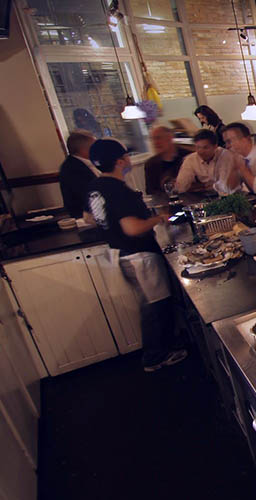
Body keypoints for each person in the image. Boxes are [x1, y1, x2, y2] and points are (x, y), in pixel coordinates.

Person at [83, 139, 186, 372]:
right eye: (126, 156)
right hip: (139, 257)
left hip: (118, 252)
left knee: (151, 304)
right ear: (120, 161)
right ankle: (156, 357)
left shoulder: (94, 187)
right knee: (155, 308)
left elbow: (88, 217)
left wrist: (111, 224)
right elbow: (132, 228)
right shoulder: (119, 190)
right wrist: (159, 218)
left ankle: (163, 349)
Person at [174, 129, 244, 195]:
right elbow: (180, 186)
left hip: (231, 196)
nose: (201, 151)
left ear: (215, 146)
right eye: (198, 147)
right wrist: (204, 186)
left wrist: (205, 186)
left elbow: (226, 187)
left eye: (205, 148)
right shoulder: (191, 159)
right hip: (204, 197)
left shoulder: (226, 156)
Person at [59, 129, 99, 218]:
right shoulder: (71, 169)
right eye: (95, 146)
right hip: (85, 216)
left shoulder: (89, 163)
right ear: (83, 149)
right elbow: (89, 195)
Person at [144, 126, 188, 196]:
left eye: (158, 138)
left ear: (170, 138)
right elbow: (151, 192)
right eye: (153, 139)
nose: (155, 142)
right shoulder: (150, 164)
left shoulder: (188, 157)